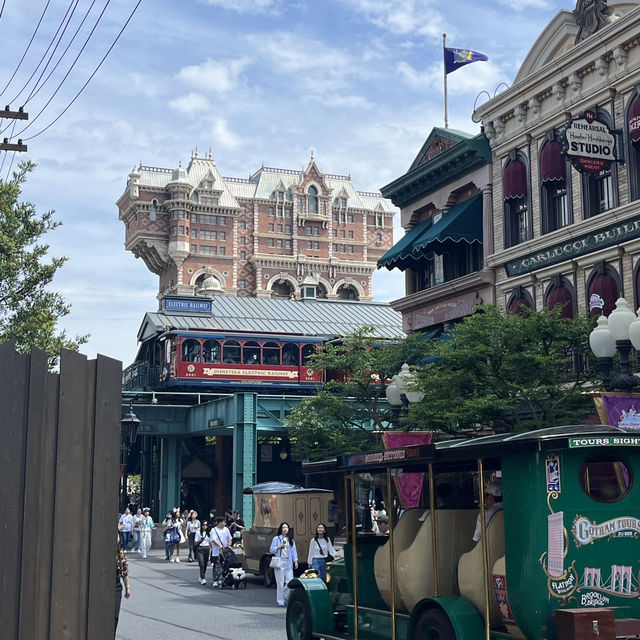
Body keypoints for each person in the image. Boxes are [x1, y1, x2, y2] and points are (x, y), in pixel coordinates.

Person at [270, 522, 298, 607]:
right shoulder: (276, 539)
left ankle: (285, 596)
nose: (285, 529)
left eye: (286, 527)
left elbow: (294, 551)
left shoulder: (291, 540)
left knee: (290, 581)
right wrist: (279, 546)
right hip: (279, 562)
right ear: (281, 529)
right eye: (283, 527)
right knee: (280, 582)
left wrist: (295, 561)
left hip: (288, 562)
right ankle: (280, 600)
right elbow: (271, 550)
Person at [209, 516, 232, 587]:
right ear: (219, 522)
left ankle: (223, 578)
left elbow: (229, 538)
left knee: (225, 565)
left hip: (225, 551)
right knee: (216, 565)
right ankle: (215, 580)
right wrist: (220, 546)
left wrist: (229, 545)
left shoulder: (226, 529)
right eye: (224, 522)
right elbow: (214, 540)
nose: (225, 523)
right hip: (217, 551)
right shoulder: (214, 530)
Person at [115, 537, 130, 637]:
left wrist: (127, 587)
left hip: (116, 587)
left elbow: (124, 571)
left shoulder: (119, 553)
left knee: (114, 616)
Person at [193, 520, 211, 585]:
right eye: (203, 525)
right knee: (202, 564)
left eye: (206, 525)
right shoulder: (198, 532)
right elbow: (195, 542)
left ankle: (201, 576)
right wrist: (200, 540)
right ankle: (203, 578)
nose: (204, 526)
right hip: (200, 549)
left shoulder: (209, 533)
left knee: (205, 564)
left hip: (207, 548)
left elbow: (211, 542)